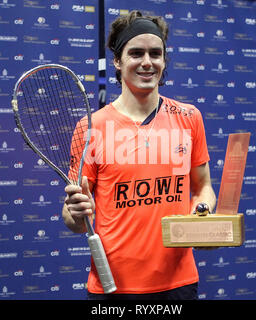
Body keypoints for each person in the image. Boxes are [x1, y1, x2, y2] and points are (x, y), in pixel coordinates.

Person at [62, 10, 216, 300]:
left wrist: (202, 214)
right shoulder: (90, 127)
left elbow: (203, 186)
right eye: (136, 53)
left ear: (164, 60)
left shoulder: (189, 117)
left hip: (178, 285)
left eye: (155, 54)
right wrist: (75, 212)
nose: (147, 62)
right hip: (112, 288)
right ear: (118, 62)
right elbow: (74, 221)